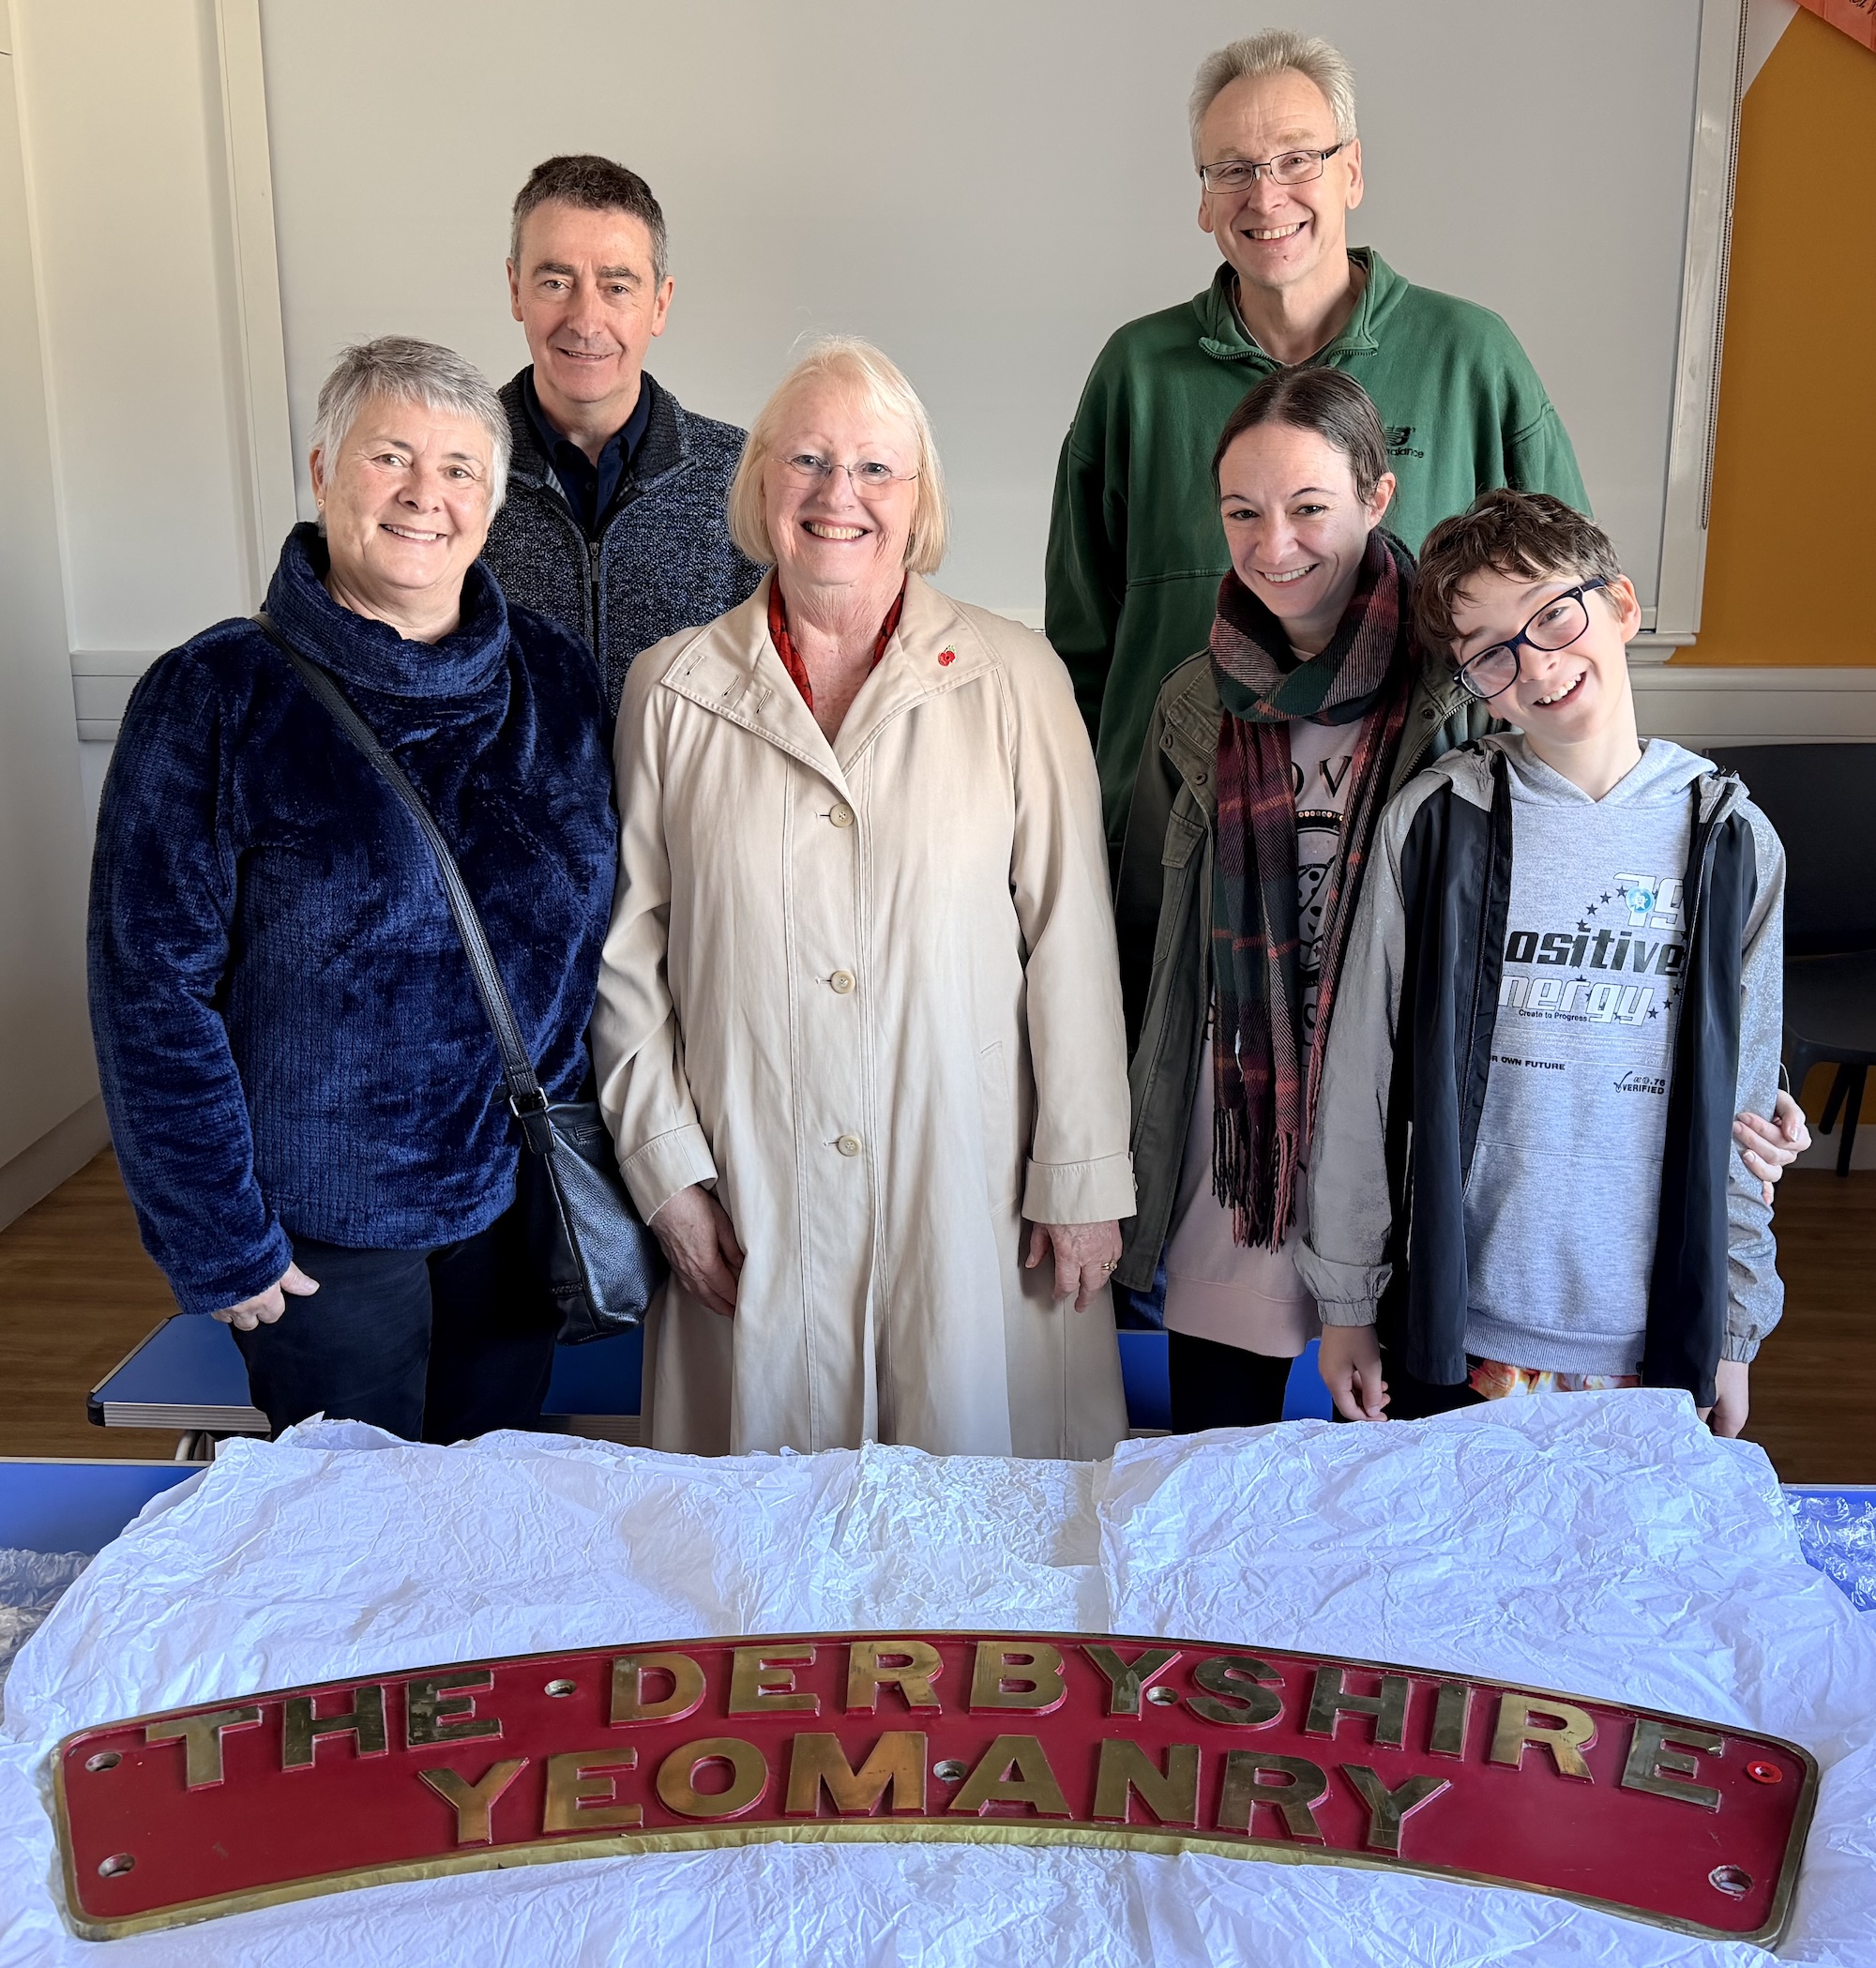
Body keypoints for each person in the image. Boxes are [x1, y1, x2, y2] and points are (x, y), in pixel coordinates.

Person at [591, 337, 1134, 1458]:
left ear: (918, 497)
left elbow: (1072, 940)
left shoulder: (1017, 676)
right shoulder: (670, 689)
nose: (840, 494)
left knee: (979, 1551)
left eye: (876, 468)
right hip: (747, 1193)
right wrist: (667, 1177)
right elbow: (625, 964)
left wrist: (1080, 1177)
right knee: (762, 1568)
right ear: (757, 488)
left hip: (972, 1193)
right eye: (806, 462)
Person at [88, 338, 619, 1444]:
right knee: (348, 1543)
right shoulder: (215, 695)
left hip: (514, 1202)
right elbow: (149, 991)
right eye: (391, 456)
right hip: (314, 1234)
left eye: (462, 468)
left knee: (486, 1502)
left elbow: (591, 946)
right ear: (326, 471)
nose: (428, 495)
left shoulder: (558, 681)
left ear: (494, 500)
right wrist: (219, 1236)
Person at [1298, 490, 1784, 1437]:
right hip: (1462, 1328)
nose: (1537, 663)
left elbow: (1744, 1113)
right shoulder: (1436, 827)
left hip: (1650, 1339)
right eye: (1490, 652)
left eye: (1554, 614)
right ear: (1469, 678)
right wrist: (1346, 1302)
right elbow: (1359, 1080)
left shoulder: (1731, 841)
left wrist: (1730, 1326)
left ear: (1621, 606)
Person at [1046, 28, 1587, 861]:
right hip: (1186, 859)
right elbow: (1081, 647)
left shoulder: (1472, 357)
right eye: (1233, 169)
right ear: (1202, 197)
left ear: (1353, 172)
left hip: (1424, 856)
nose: (1266, 198)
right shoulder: (1135, 375)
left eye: (1298, 158)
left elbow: (1570, 623)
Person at [1115, 368, 1496, 1433]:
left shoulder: (1455, 686)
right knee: (1215, 1466)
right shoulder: (1194, 698)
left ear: (1376, 498)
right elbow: (1150, 927)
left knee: (1397, 1469)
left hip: (1399, 1138)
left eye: (1307, 508)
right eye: (1242, 512)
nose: (1271, 543)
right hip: (1233, 1140)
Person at [480, 155, 764, 716]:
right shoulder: (447, 474)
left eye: (617, 286)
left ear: (659, 303)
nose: (586, 321)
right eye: (555, 282)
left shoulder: (746, 475)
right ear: (516, 289)